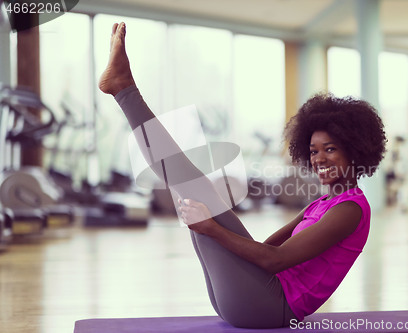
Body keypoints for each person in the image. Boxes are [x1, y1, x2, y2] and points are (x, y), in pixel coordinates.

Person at [99, 22, 387, 329]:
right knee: (192, 186)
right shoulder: (323, 204)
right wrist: (213, 226)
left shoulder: (350, 211)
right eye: (314, 151)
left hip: (270, 309)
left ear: (354, 150)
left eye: (330, 149)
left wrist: (212, 228)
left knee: (192, 183)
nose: (319, 159)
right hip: (252, 297)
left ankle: (125, 91)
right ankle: (124, 90)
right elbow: (266, 249)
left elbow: (273, 261)